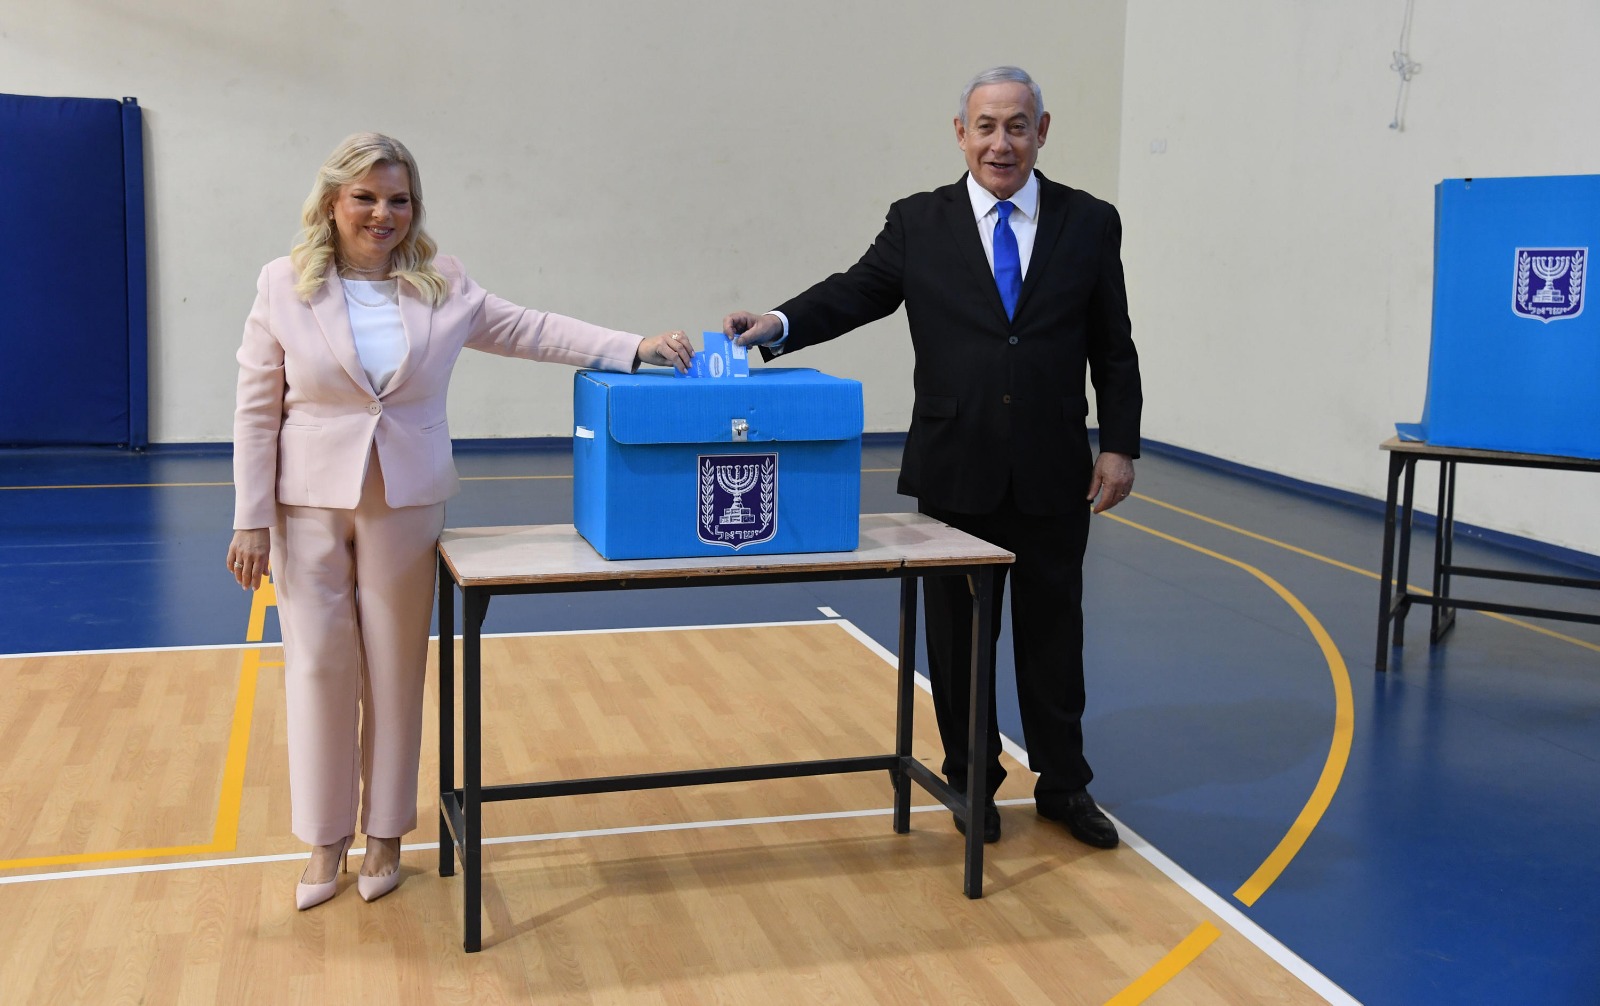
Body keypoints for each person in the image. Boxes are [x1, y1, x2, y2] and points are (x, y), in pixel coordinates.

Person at [226, 132, 691, 910]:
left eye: (398, 200)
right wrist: (251, 519)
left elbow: (531, 329)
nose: (382, 214)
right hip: (304, 507)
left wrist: (633, 347)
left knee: (397, 669)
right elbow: (254, 408)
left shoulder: (442, 284)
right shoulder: (283, 284)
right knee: (317, 669)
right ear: (333, 202)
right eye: (365, 197)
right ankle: (324, 839)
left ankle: (384, 834)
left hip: (406, 503)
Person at [723, 66, 1141, 848]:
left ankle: (1065, 784)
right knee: (957, 640)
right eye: (986, 126)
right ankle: (971, 780)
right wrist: (779, 324)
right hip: (957, 465)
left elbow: (1113, 346)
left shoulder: (1089, 222)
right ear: (960, 134)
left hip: (1054, 467)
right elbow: (856, 291)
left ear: (1042, 132)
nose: (1001, 143)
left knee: (1055, 635)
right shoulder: (919, 221)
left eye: (1017, 126)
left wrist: (1118, 444)